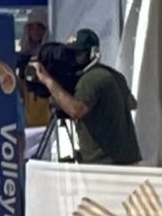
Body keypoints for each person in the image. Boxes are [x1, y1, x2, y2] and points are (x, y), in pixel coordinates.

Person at [32, 28, 140, 165]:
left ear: (92, 53)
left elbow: (76, 110)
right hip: (127, 159)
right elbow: (131, 103)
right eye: (70, 53)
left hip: (105, 164)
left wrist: (48, 80)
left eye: (78, 54)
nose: (73, 59)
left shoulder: (90, 79)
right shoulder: (112, 74)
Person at [18, 16, 53, 131]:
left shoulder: (50, 53)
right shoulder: (22, 56)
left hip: (46, 99)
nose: (36, 31)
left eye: (39, 28)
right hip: (29, 102)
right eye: (32, 28)